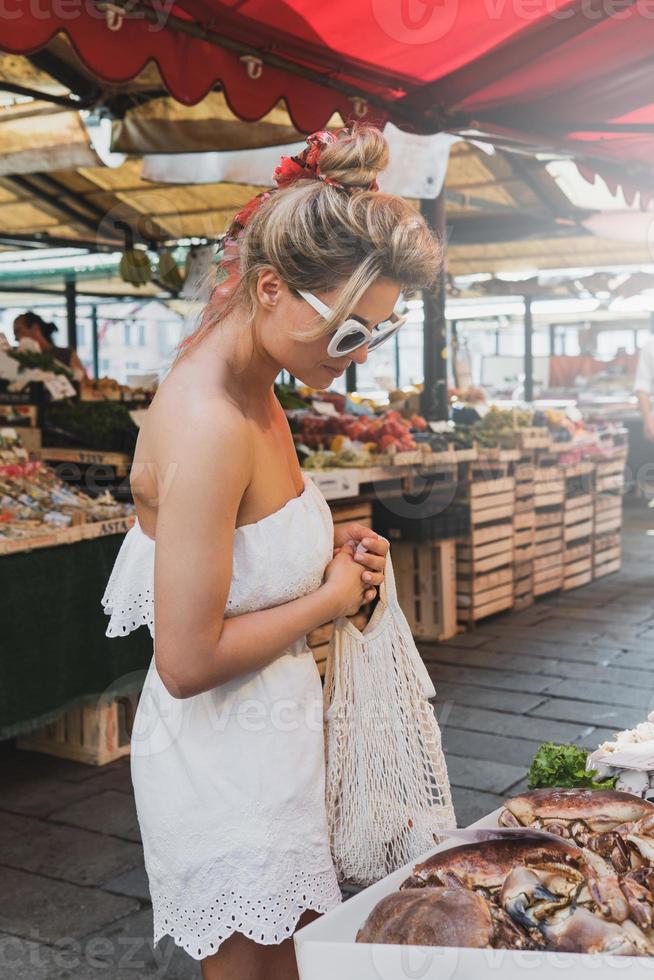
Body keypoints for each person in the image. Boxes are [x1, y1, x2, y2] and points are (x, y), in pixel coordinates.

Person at [101, 124, 443, 980]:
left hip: (273, 741)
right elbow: (184, 659)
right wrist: (329, 599)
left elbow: (244, 546)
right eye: (345, 336)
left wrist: (330, 544)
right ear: (269, 288)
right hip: (225, 762)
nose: (358, 358)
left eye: (377, 334)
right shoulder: (212, 421)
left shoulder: (256, 383)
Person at [12, 311, 87, 379]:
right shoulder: (20, 359)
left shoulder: (67, 355)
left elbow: (85, 384)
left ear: (35, 328)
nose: (16, 338)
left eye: (18, 331)